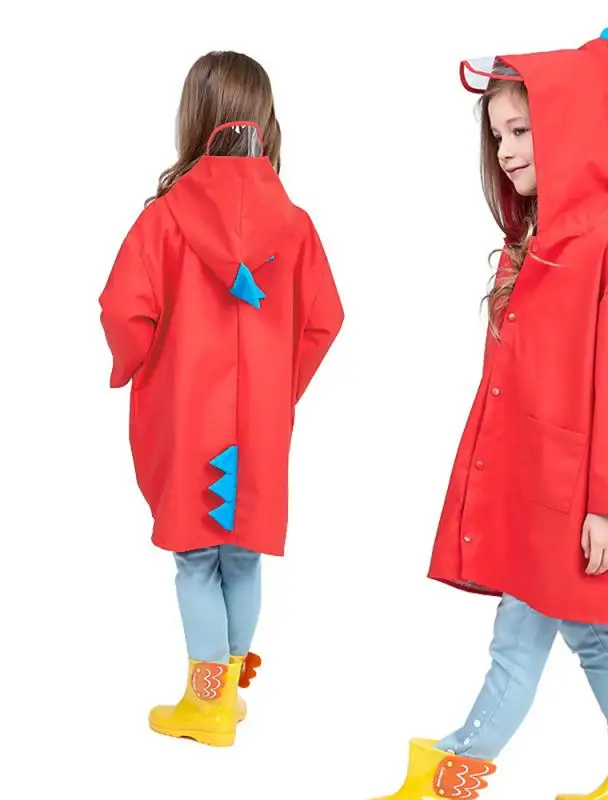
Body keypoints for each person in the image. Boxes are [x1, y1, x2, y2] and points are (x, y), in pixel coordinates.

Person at [373, 21, 608, 800]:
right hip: (536, 489)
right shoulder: (532, 244)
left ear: (570, 128)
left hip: (576, 498)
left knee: (518, 639)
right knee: (587, 634)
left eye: (522, 130)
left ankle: (451, 773)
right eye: (497, 135)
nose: (507, 150)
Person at [99, 51, 344, 747]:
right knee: (241, 556)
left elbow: (123, 311)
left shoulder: (164, 220)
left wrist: (136, 366)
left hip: (188, 419)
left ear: (194, 117)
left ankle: (205, 703)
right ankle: (228, 695)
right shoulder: (295, 225)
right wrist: (280, 387)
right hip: (259, 423)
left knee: (195, 559)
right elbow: (325, 319)